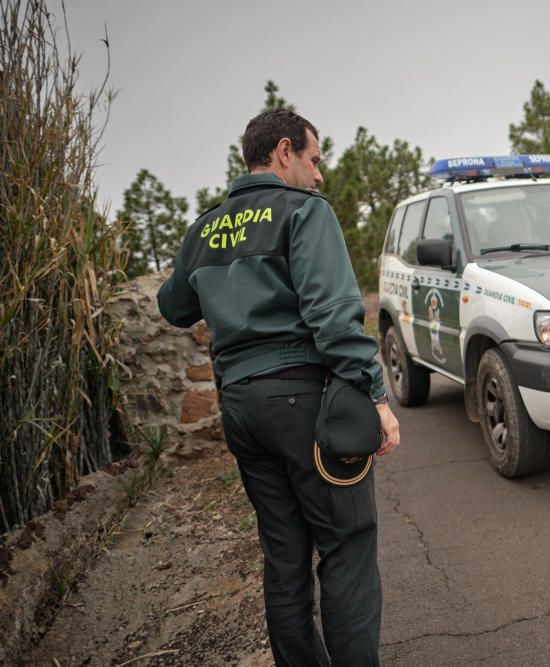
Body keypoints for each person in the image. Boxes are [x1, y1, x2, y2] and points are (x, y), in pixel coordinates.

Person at [157, 108, 400, 666]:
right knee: (347, 546)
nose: (319, 176)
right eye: (315, 161)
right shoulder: (304, 212)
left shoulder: (207, 227)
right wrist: (377, 396)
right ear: (284, 150)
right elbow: (335, 318)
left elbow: (173, 306)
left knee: (285, 559)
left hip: (241, 410)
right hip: (304, 404)